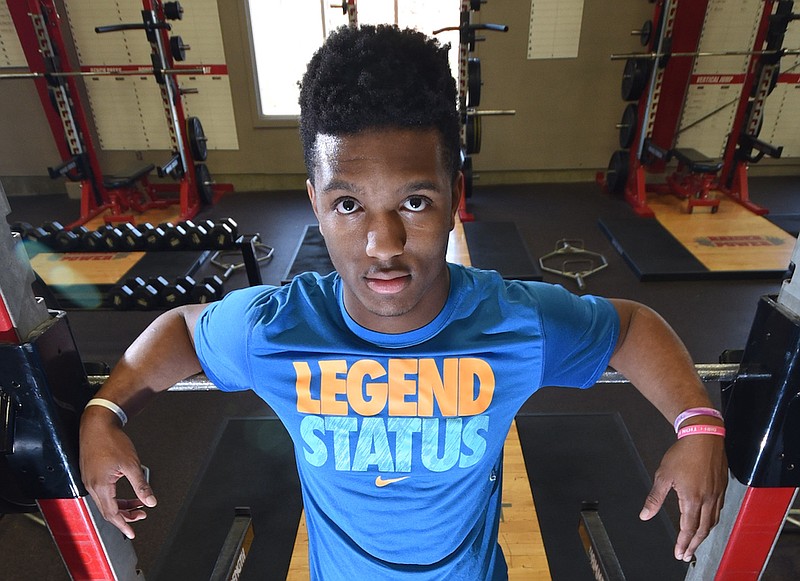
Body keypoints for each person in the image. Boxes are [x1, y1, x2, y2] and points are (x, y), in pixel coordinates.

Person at [80, 24, 727, 580]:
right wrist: (103, 414)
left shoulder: (516, 324)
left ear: (452, 195)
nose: (381, 243)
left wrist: (698, 424)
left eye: (414, 202)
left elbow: (631, 325)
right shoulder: (275, 330)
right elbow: (185, 332)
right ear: (315, 203)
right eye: (348, 204)